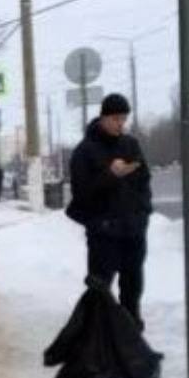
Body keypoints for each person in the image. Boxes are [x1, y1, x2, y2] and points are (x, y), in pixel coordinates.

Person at [68, 93, 152, 329]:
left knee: (133, 282)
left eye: (123, 118)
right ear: (103, 117)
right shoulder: (84, 152)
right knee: (100, 287)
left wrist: (143, 212)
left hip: (133, 229)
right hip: (103, 232)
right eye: (115, 118)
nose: (120, 124)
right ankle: (99, 336)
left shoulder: (130, 145)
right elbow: (82, 194)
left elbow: (144, 180)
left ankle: (131, 328)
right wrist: (110, 176)